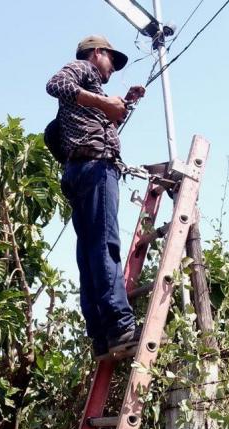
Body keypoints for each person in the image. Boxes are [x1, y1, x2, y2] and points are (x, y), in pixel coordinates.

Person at [46, 35, 146, 357]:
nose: (112, 70)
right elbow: (55, 84)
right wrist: (106, 103)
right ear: (97, 53)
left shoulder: (88, 98)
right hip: (95, 168)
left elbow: (105, 123)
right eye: (111, 61)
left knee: (89, 254)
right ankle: (120, 326)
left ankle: (102, 336)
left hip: (80, 171)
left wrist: (123, 104)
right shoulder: (83, 70)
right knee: (104, 246)